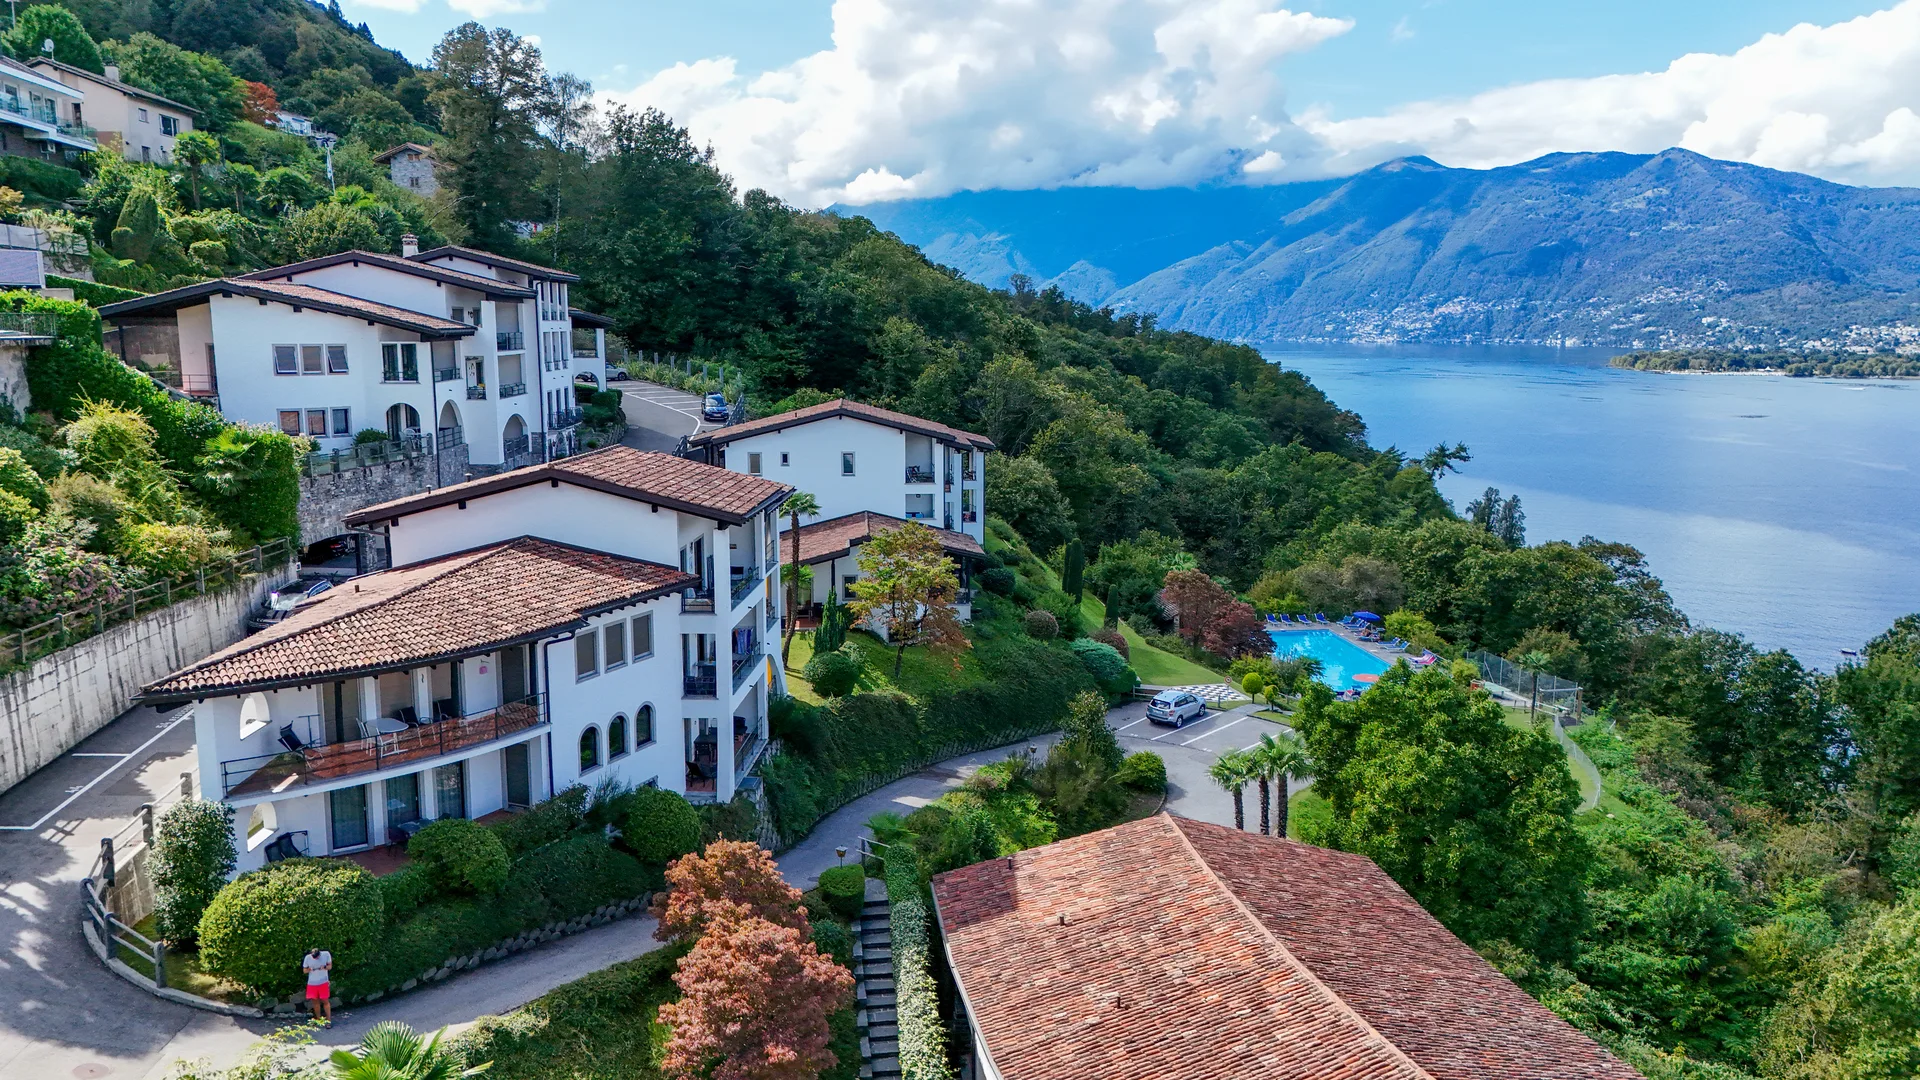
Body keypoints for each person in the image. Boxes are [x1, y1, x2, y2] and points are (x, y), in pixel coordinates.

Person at [302, 946, 332, 1024]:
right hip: (312, 983)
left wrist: (324, 967)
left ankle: (328, 1020)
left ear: (319, 954)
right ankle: (319, 1020)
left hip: (323, 982)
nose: (315, 958)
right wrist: (309, 969)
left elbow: (330, 966)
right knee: (315, 1002)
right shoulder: (308, 958)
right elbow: (304, 970)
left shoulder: (326, 954)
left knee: (325, 1001)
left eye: (317, 957)